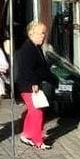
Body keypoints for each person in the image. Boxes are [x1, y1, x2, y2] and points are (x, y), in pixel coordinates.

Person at [15, 21, 54, 150]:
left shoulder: (35, 47)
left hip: (31, 84)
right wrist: (34, 83)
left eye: (44, 33)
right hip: (29, 86)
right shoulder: (27, 49)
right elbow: (27, 68)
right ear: (31, 33)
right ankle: (38, 140)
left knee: (33, 111)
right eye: (41, 33)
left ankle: (26, 134)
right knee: (37, 112)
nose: (43, 36)